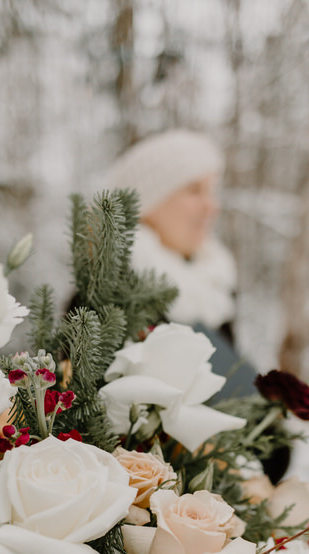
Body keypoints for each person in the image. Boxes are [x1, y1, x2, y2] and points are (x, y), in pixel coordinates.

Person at [106, 128, 257, 398]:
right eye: (194, 190)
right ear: (146, 203)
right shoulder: (105, 295)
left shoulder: (213, 284)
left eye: (211, 191)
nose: (212, 206)